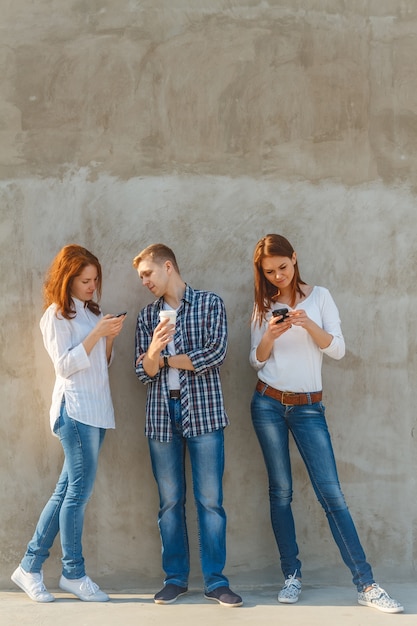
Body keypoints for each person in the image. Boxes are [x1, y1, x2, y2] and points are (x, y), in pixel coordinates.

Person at [249, 233, 403, 614]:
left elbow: (337, 348)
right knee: (280, 492)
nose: (278, 276)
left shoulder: (320, 297)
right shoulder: (262, 306)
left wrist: (307, 325)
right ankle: (291, 575)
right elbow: (256, 360)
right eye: (270, 272)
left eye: (283, 268)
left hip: (308, 408)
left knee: (332, 495)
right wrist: (269, 333)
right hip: (267, 403)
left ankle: (366, 583)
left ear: (295, 259)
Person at [11, 244, 126, 603]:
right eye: (84, 280)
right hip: (73, 411)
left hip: (97, 412)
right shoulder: (56, 316)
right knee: (78, 493)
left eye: (95, 280)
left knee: (66, 492)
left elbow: (100, 367)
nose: (92, 286)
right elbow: (63, 366)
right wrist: (95, 336)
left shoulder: (94, 313)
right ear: (68, 279)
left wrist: (108, 338)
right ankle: (73, 572)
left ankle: (29, 567)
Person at [133, 243, 242, 608]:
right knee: (169, 503)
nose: (144, 282)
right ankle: (175, 579)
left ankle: (216, 581)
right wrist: (153, 352)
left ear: (168, 267)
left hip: (205, 413)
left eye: (148, 274)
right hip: (162, 416)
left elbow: (215, 353)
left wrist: (164, 360)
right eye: (141, 277)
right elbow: (142, 372)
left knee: (210, 501)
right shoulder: (148, 316)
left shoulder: (210, 303)